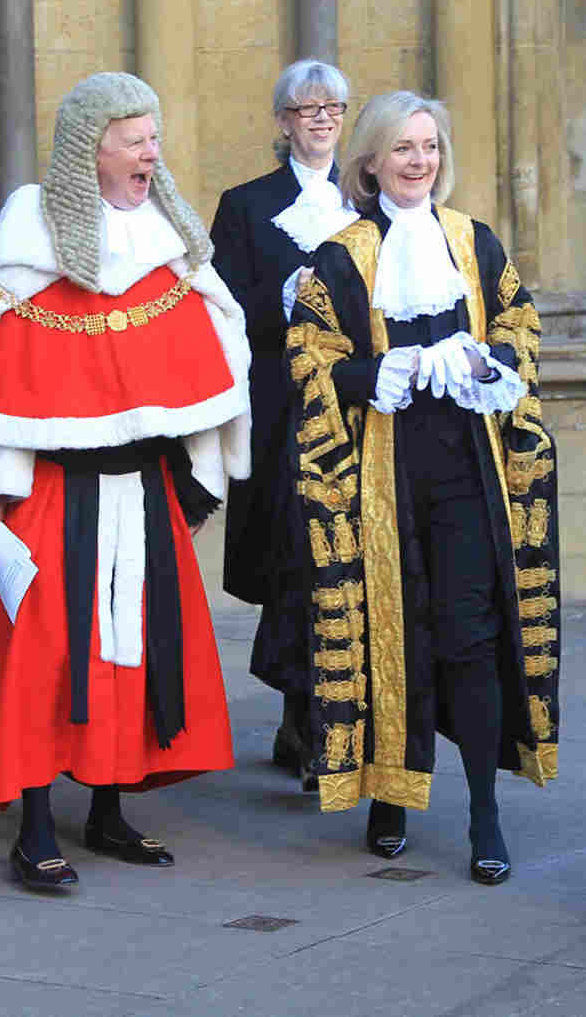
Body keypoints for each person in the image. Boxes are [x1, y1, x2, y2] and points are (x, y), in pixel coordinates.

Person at [0, 72, 249, 891]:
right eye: (136, 138)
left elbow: (220, 338)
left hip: (142, 488)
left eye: (154, 137)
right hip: (50, 490)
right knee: (41, 659)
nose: (152, 152)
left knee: (132, 656)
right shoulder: (33, 234)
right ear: (90, 147)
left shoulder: (166, 235)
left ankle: (108, 810)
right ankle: (34, 828)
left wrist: (197, 470)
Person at [286, 91, 560, 885]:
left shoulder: (474, 242)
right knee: (394, 637)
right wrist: (380, 371)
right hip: (384, 476)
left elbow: (521, 324)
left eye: (430, 146)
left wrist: (487, 360)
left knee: (470, 637)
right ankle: (390, 797)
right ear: (370, 162)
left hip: (468, 473)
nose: (419, 161)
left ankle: (483, 811)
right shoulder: (343, 255)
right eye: (403, 148)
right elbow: (307, 357)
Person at [211, 59, 356, 790]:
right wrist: (281, 298)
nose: (321, 118)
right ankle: (302, 715)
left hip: (356, 406)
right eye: (306, 108)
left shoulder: (367, 202)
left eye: (332, 106)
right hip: (279, 408)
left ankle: (329, 719)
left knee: (344, 562)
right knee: (293, 558)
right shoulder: (245, 205)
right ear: (284, 121)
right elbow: (221, 306)